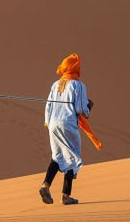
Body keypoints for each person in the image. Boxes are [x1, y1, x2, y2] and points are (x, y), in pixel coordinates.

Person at [39, 53, 100, 205]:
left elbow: (48, 106)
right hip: (67, 124)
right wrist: (89, 107)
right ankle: (65, 196)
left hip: (52, 123)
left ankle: (45, 185)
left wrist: (48, 122)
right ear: (75, 69)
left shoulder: (55, 84)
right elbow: (81, 109)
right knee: (72, 157)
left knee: (57, 155)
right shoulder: (78, 85)